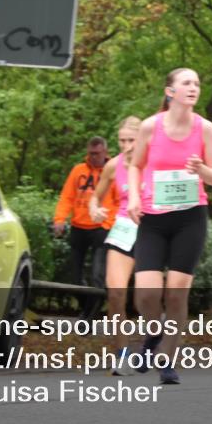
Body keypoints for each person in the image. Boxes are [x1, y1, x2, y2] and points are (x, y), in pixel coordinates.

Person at [128, 68, 212, 385]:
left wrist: (201, 169)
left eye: (197, 83)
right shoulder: (150, 127)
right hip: (153, 218)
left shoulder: (205, 128)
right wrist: (133, 198)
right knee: (146, 293)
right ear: (170, 91)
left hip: (189, 217)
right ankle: (154, 333)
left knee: (177, 293)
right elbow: (135, 166)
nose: (194, 87)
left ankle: (168, 359)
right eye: (186, 83)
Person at [88, 116, 142, 376]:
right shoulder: (113, 166)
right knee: (115, 293)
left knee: (147, 298)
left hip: (151, 230)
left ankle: (155, 347)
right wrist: (95, 209)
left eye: (131, 140)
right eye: (122, 140)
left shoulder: (153, 162)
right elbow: (95, 196)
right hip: (122, 228)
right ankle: (121, 354)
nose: (127, 145)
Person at [53, 137, 118, 296]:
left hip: (101, 228)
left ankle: (92, 313)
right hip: (78, 227)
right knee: (75, 276)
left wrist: (108, 223)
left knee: (97, 275)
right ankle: (85, 308)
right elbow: (67, 197)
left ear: (105, 152)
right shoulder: (78, 170)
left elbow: (118, 201)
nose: (93, 157)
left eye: (97, 153)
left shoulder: (113, 171)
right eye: (90, 153)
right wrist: (59, 219)